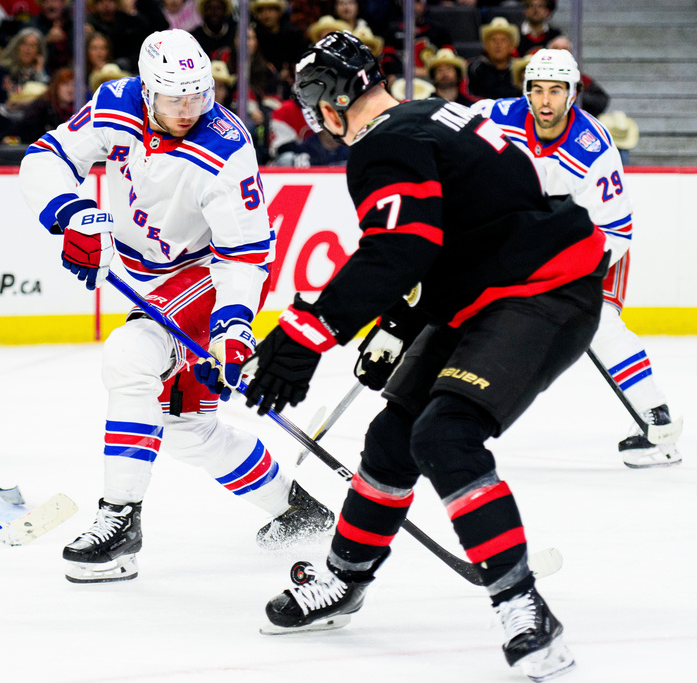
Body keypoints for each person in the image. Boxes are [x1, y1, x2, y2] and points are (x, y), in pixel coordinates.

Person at [244, 33, 609, 681]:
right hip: (492, 287)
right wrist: (399, 324)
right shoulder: (426, 114)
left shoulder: (384, 143)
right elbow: (457, 232)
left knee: (446, 435)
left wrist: (305, 332)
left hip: (542, 291)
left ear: (329, 104)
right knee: (392, 437)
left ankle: (523, 606)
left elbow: (401, 250)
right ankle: (344, 578)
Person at [19, 29, 334, 584]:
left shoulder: (226, 145)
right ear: (146, 90)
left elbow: (245, 255)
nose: (188, 108)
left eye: (198, 94)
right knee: (186, 425)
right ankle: (297, 510)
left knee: (128, 359)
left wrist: (233, 328)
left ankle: (119, 522)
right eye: (174, 97)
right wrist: (71, 215)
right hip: (144, 278)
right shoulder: (115, 104)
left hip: (202, 275)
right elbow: (46, 157)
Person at [473, 49, 680, 468]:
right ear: (525, 91)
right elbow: (442, 133)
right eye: (537, 90)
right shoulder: (493, 116)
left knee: (598, 322)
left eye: (556, 90)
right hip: (524, 238)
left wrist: (560, 272)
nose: (545, 101)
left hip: (591, 242)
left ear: (572, 94)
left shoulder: (593, 146)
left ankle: (657, 423)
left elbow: (616, 231)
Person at [467, 17, 521, 100]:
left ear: (511, 46)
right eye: (493, 40)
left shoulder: (519, 69)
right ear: (486, 46)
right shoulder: (474, 68)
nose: (498, 44)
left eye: (503, 40)